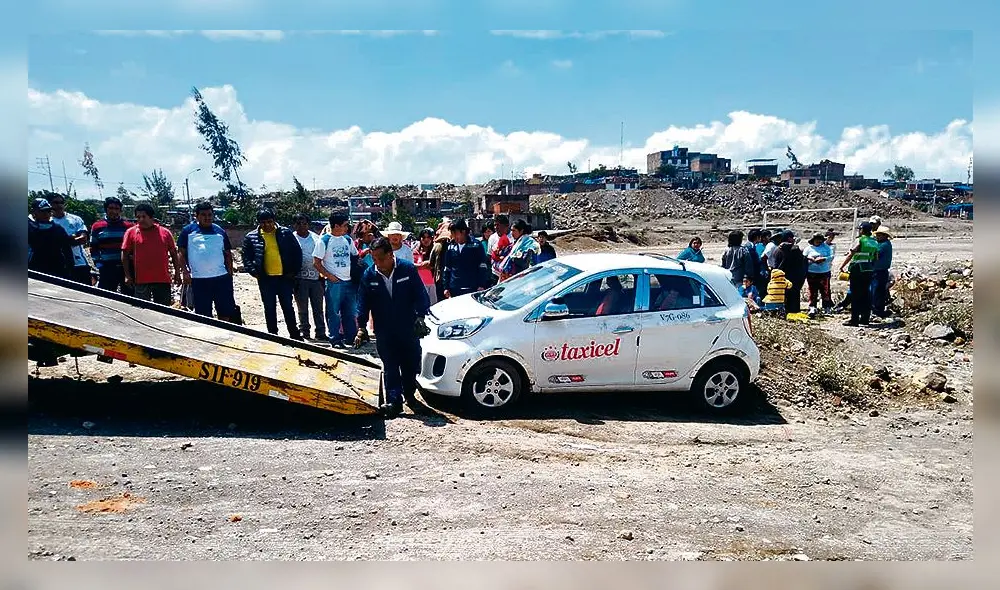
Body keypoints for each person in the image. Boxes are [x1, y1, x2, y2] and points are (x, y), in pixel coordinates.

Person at [354, 237, 431, 417]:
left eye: (380, 259)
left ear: (391, 254)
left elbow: (420, 295)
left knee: (410, 362)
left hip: (408, 326)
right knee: (390, 364)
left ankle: (410, 396)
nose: (377, 263)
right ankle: (394, 402)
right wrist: (361, 327)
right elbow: (362, 302)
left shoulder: (407, 269)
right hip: (384, 328)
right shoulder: (369, 275)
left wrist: (420, 316)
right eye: (373, 259)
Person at [242, 209, 303, 340]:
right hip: (266, 280)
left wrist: (293, 272)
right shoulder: (252, 237)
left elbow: (297, 253)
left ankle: (294, 335)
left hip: (284, 279)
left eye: (269, 221)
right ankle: (272, 335)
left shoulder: (285, 233)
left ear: (274, 221)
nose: (267, 225)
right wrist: (254, 272)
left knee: (288, 307)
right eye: (263, 222)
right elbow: (246, 257)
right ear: (258, 223)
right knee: (269, 308)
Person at [177, 201, 238, 322]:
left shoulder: (220, 231)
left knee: (225, 311)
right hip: (199, 280)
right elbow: (181, 254)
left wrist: (229, 274)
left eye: (210, 215)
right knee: (203, 315)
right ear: (197, 216)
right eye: (203, 215)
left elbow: (227, 254)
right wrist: (185, 272)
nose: (207, 217)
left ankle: (224, 335)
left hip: (221, 278)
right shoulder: (188, 231)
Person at [314, 213, 360, 348]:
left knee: (350, 311)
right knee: (333, 312)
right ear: (336, 226)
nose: (347, 228)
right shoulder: (324, 240)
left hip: (349, 281)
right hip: (335, 283)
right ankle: (335, 339)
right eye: (345, 225)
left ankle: (350, 337)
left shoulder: (348, 239)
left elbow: (355, 256)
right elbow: (316, 262)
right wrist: (329, 276)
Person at [121, 203, 181, 306]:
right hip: (141, 280)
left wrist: (177, 273)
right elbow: (125, 254)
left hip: (162, 279)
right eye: (138, 217)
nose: (140, 220)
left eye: (144, 217)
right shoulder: (131, 232)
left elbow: (174, 254)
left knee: (164, 310)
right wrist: (127, 275)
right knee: (142, 310)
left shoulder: (165, 233)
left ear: (151, 217)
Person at [290, 214, 326, 341]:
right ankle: (304, 332)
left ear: (308, 224)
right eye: (298, 223)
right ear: (294, 225)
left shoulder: (316, 238)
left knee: (318, 308)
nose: (301, 226)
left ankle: (320, 332)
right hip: (299, 279)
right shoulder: (291, 239)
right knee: (302, 308)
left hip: (316, 278)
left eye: (304, 223)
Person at [89, 196, 134, 295]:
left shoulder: (129, 227)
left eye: (117, 208)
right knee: (106, 296)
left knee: (130, 296)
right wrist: (99, 264)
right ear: (106, 209)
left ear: (120, 210)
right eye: (111, 208)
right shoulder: (97, 226)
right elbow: (93, 247)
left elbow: (134, 247)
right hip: (107, 267)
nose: (114, 211)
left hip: (126, 267)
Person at [838, 221, 879, 327]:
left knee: (855, 294)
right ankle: (865, 318)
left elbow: (851, 255)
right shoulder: (874, 241)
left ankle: (854, 319)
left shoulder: (860, 240)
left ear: (862, 230)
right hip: (868, 270)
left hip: (857, 269)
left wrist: (842, 266)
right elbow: (876, 257)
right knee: (866, 294)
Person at [48, 193, 92, 284]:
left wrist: (62, 241)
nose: (59, 205)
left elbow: (83, 239)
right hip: (59, 264)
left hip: (79, 263)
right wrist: (71, 238)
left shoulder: (75, 219)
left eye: (61, 202)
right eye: (55, 202)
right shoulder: (48, 222)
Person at [442, 218, 491, 298]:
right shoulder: (451, 247)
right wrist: (446, 287)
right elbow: (447, 268)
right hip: (455, 288)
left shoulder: (476, 245)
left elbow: (483, 267)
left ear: (463, 231)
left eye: (455, 233)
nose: (453, 236)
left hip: (472, 288)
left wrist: (481, 285)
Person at [28, 198, 75, 278]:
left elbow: (67, 252)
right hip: (35, 270)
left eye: (48, 211)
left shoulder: (58, 229)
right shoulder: (28, 228)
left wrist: (69, 269)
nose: (46, 214)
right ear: (34, 212)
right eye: (42, 211)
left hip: (57, 271)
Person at [773, 231, 807, 314]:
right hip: (795, 278)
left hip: (781, 277)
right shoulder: (795, 249)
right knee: (794, 298)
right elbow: (801, 264)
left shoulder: (777, 250)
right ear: (789, 238)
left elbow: (776, 265)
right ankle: (794, 313)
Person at [802, 232, 834, 318]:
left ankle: (827, 307)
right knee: (812, 291)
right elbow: (803, 258)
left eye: (820, 240)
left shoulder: (826, 247)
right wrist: (810, 258)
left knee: (825, 290)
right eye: (817, 240)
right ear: (813, 240)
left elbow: (831, 256)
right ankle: (812, 307)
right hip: (812, 272)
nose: (819, 241)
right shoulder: (808, 249)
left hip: (824, 272)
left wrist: (824, 258)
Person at [871, 226, 894, 319]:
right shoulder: (882, 243)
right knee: (877, 290)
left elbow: (875, 255)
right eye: (877, 235)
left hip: (880, 271)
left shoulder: (884, 245)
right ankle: (877, 310)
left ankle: (877, 311)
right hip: (878, 271)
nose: (877, 236)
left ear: (885, 236)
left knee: (877, 291)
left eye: (879, 235)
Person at [413, 228, 439, 306]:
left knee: (434, 306)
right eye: (423, 237)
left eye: (428, 237)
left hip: (433, 283)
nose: (426, 239)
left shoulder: (434, 250)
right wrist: (422, 265)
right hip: (420, 283)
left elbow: (437, 264)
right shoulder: (415, 251)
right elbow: (412, 265)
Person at [488, 215, 513, 284]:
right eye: (495, 225)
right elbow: (489, 255)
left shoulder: (513, 237)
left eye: (498, 225)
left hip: (510, 275)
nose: (495, 227)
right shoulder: (492, 238)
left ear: (506, 226)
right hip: (495, 275)